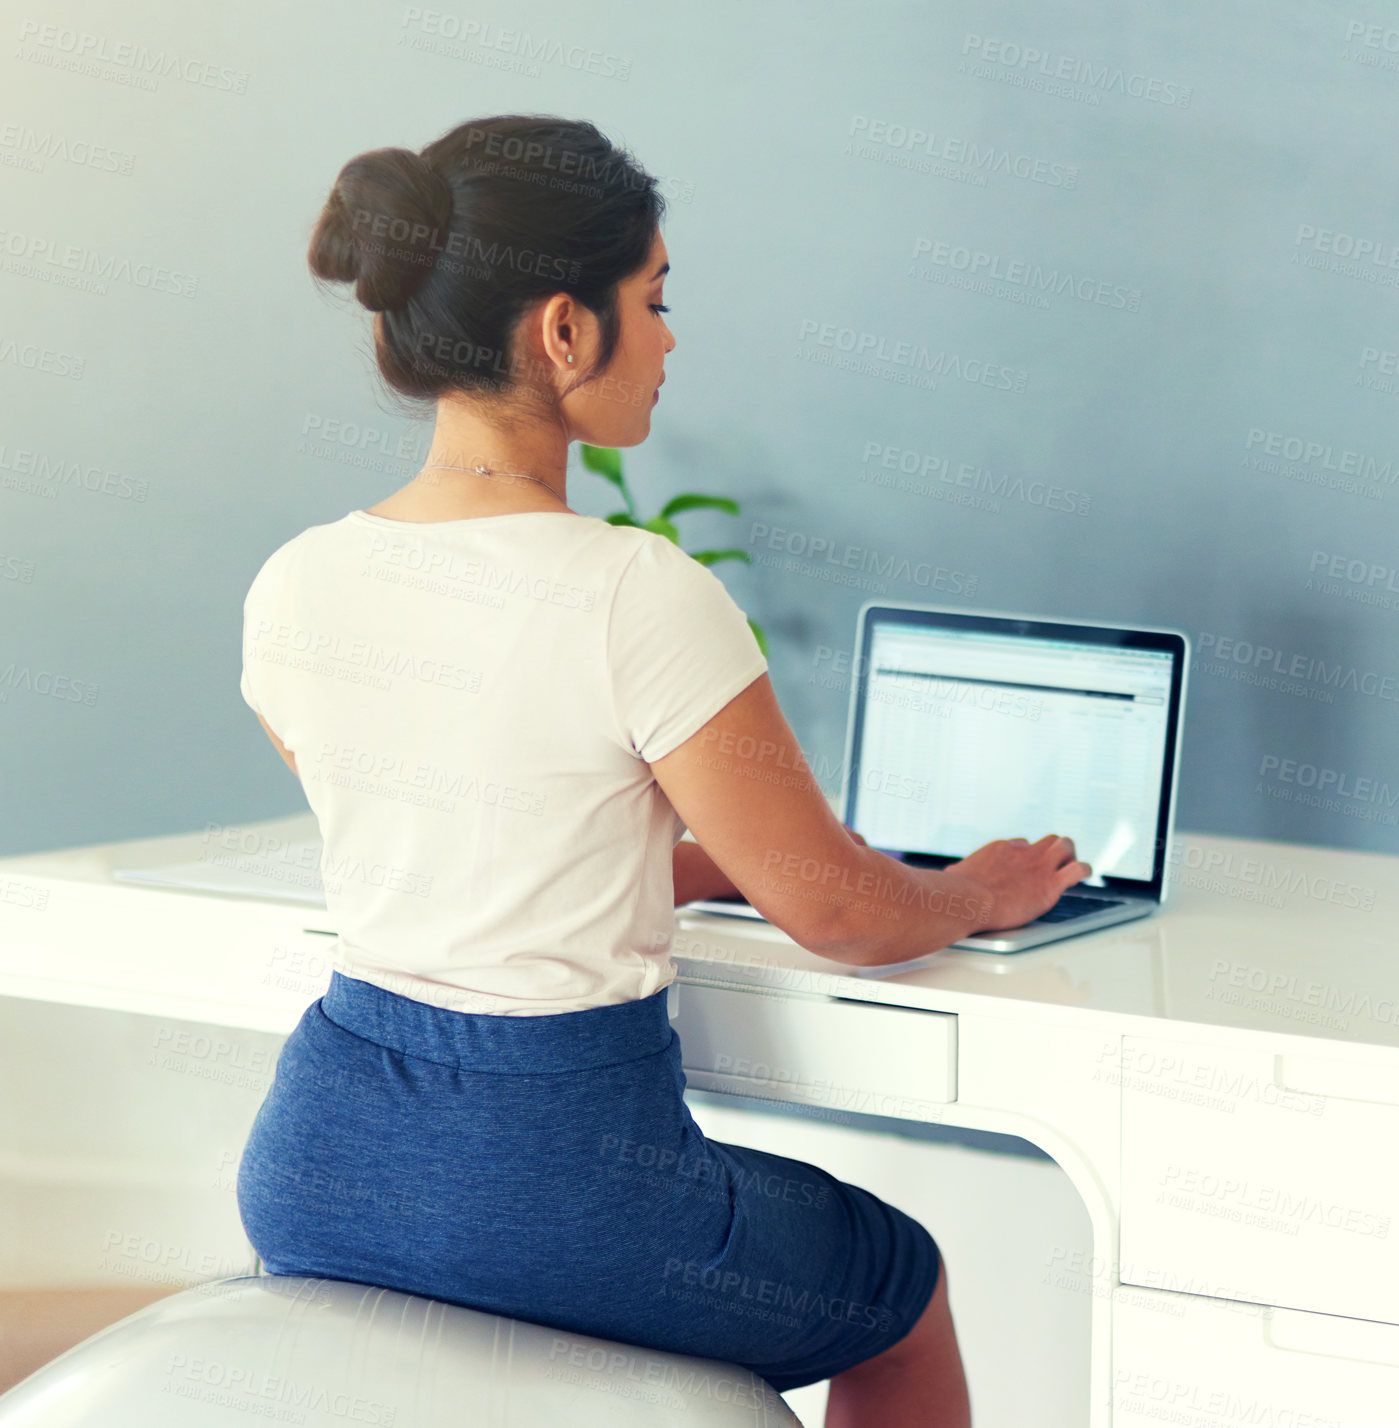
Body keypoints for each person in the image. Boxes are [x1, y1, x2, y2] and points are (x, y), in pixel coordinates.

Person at [235, 114, 1090, 1428]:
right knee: (900, 1288)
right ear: (564, 331)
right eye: (657, 299)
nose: (674, 337)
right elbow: (846, 917)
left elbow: (447, 822)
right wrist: (972, 891)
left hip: (318, 1157)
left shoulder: (296, 580)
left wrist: (694, 859)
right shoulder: (637, 588)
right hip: (554, 1181)